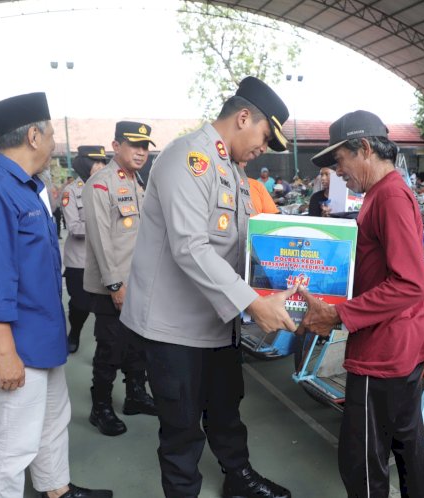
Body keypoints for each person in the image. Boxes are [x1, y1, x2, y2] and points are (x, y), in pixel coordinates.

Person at [121, 76, 297, 498]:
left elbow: (236, 243)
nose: (262, 150)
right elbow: (190, 248)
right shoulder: (190, 158)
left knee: (225, 410)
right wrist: (254, 303)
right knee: (182, 428)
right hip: (174, 327)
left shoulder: (232, 170)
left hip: (217, 322)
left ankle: (239, 478)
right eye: (262, 137)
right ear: (242, 118)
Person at [0, 92, 111, 498]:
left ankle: (56, 490)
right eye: (53, 134)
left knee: (52, 421)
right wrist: (5, 354)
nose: (56, 143)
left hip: (39, 334)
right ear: (35, 136)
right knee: (12, 444)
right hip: (15, 343)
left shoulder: (23, 187)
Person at [299, 110, 424, 498]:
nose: (337, 171)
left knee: (361, 459)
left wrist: (339, 313)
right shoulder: (383, 194)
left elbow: (410, 284)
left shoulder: (390, 195)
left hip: (383, 352)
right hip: (400, 346)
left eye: (339, 160)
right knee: (405, 443)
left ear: (363, 148)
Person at [83, 121, 157, 436]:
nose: (141, 152)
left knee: (137, 345)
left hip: (138, 282)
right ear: (116, 146)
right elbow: (101, 239)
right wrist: (115, 285)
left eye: (145, 146)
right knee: (110, 349)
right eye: (134, 145)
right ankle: (100, 408)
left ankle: (135, 395)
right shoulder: (101, 183)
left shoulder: (137, 182)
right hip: (112, 286)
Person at [61, 146, 107, 354]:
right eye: (96, 162)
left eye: (103, 162)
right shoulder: (71, 191)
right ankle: (75, 332)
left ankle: (104, 349)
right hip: (80, 261)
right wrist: (104, 226)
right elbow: (74, 228)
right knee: (80, 305)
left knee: (105, 309)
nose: (101, 167)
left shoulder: (109, 188)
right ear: (84, 164)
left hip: (105, 259)